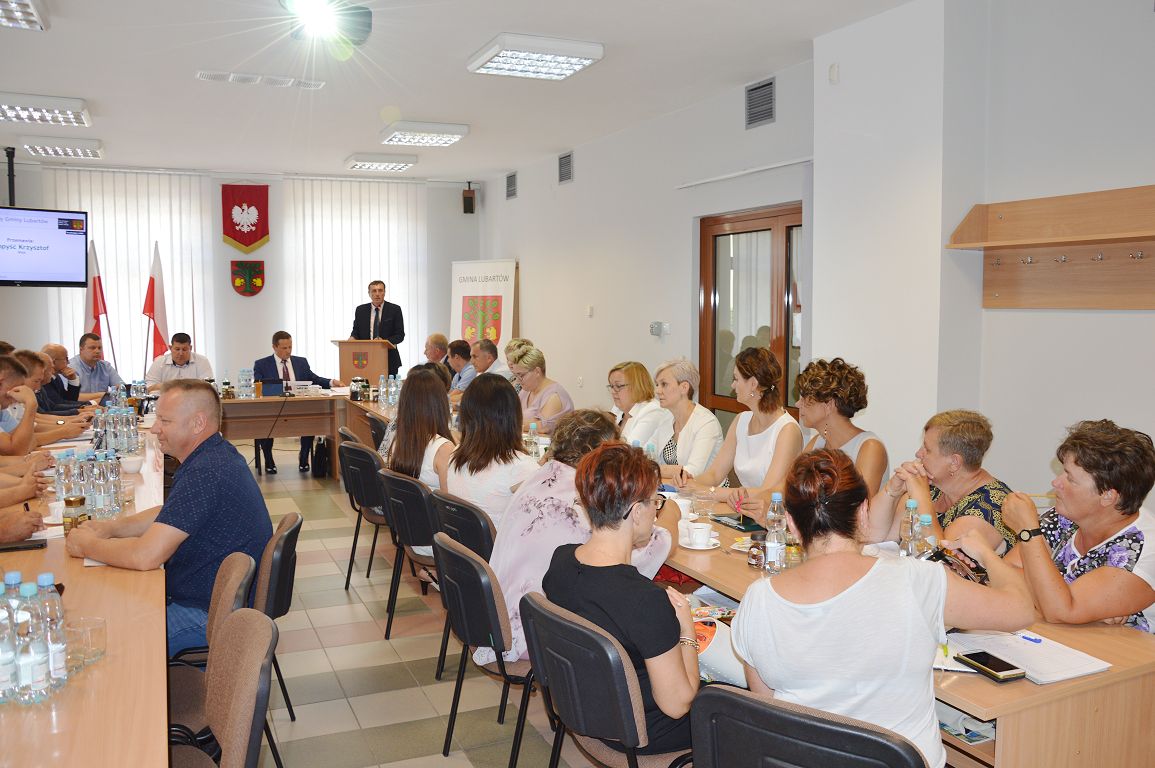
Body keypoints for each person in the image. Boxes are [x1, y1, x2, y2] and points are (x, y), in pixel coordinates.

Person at [731, 449, 1033, 768]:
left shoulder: (759, 600)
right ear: (863, 513)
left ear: (791, 524)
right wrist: (986, 553)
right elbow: (1021, 610)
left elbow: (770, 713)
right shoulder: (920, 579)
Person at [64, 379, 272, 655]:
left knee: (106, 642)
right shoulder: (214, 454)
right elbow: (171, 512)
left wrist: (87, 546)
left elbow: (145, 556)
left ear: (197, 423)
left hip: (210, 612)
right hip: (213, 596)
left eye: (165, 420)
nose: (154, 428)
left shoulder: (206, 471)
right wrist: (110, 529)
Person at [543, 442, 699, 754]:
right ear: (637, 511)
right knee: (733, 698)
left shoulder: (560, 562)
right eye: (656, 503)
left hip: (584, 708)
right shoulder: (644, 601)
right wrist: (687, 632)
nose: (656, 512)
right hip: (640, 729)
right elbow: (679, 704)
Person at [482, 410, 672, 665]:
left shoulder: (541, 475)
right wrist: (668, 514)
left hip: (505, 611)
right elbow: (631, 558)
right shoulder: (579, 498)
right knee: (650, 618)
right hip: (531, 632)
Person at [1001, 420, 1155, 632]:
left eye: (1070, 478)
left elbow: (1059, 611)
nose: (1056, 483)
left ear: (1108, 496)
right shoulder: (1065, 516)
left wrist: (1028, 532)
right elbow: (1004, 575)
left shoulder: (1144, 550)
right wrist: (1059, 599)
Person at [677, 348, 802, 518]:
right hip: (744, 514)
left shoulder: (787, 430)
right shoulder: (741, 421)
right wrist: (688, 483)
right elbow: (715, 474)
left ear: (753, 384)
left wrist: (705, 491)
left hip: (774, 521)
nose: (732, 385)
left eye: (736, 379)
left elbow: (766, 492)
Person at [867, 410, 1014, 552]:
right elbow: (870, 537)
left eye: (927, 449)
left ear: (954, 462)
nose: (918, 454)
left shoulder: (991, 508)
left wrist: (921, 497)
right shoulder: (934, 487)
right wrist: (892, 491)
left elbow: (943, 560)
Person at [446, 374, 538, 529]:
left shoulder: (455, 455)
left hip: (462, 542)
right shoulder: (520, 466)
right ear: (512, 416)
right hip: (499, 543)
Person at [253, 331, 345, 474]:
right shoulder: (261, 364)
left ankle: (304, 456)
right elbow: (258, 385)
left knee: (309, 421)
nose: (288, 351)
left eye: (290, 347)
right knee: (265, 423)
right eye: (284, 348)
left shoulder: (301, 362)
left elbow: (314, 379)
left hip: (299, 405)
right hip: (272, 407)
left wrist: (332, 382)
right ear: (274, 347)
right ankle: (268, 459)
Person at [384, 368, 455, 554]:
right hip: (438, 542)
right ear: (440, 404)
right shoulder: (442, 448)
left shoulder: (398, 441)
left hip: (410, 534)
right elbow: (451, 506)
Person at [795, 357, 889, 495]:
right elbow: (794, 491)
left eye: (805, 398)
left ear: (829, 404)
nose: (797, 404)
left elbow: (859, 503)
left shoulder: (870, 448)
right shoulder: (816, 443)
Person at [650, 358, 723, 480]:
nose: (657, 391)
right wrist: (656, 469)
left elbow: (692, 472)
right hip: (671, 486)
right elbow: (648, 455)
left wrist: (655, 469)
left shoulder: (706, 422)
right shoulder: (667, 417)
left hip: (704, 490)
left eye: (664, 384)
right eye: (657, 385)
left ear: (684, 387)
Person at [507, 344, 574, 435]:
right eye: (516, 375)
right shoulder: (525, 392)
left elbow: (543, 427)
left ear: (537, 371)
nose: (518, 380)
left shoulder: (554, 396)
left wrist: (512, 423)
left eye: (521, 375)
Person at [606, 361, 671, 450]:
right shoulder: (617, 409)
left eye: (618, 386)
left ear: (637, 386)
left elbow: (630, 451)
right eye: (611, 386)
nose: (613, 391)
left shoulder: (652, 410)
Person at [349, 279, 404, 376]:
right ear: (369, 293)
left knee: (387, 385)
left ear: (384, 292)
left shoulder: (395, 309)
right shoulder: (360, 310)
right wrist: (352, 338)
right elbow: (356, 330)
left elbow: (400, 335)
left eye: (380, 290)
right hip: (365, 358)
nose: (377, 294)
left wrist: (384, 341)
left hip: (388, 357)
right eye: (374, 291)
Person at [145, 332, 214, 391]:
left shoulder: (202, 361)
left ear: (190, 348)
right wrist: (167, 386)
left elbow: (208, 387)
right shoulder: (159, 362)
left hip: (194, 400)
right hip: (167, 399)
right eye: (177, 349)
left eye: (184, 349)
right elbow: (149, 387)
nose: (181, 353)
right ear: (170, 348)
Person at [0, 355, 38, 456]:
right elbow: (16, 451)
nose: (16, 398)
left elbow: (30, 441)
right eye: (15, 390)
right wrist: (31, 405)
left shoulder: (2, 411)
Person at [70, 333, 123, 403]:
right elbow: (71, 396)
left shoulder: (106, 366)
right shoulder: (71, 368)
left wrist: (117, 390)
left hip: (103, 407)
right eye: (92, 348)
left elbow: (122, 390)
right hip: (79, 408)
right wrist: (103, 395)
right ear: (81, 349)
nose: (97, 351)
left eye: (99, 348)